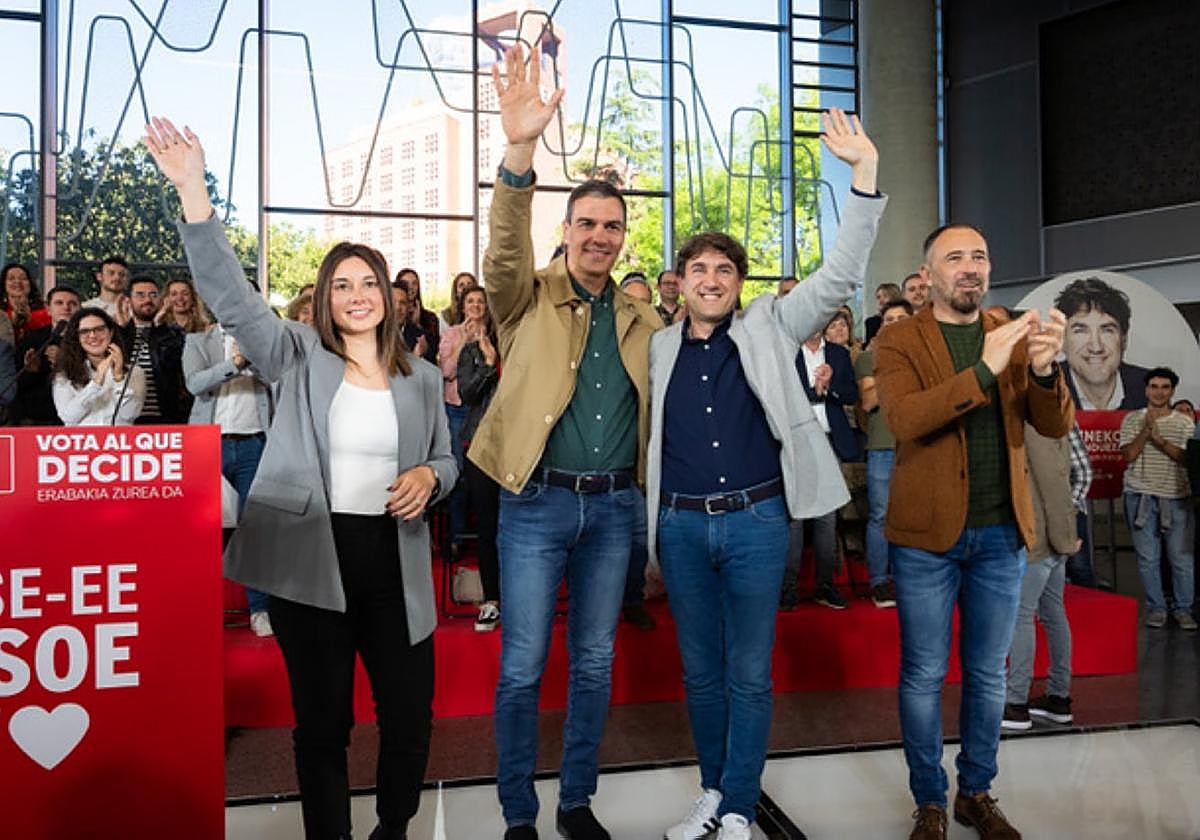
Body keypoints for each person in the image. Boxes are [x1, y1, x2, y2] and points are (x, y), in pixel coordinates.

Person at [146, 116, 456, 840]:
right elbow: (229, 295)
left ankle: (391, 829)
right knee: (323, 725)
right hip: (309, 559)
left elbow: (446, 460)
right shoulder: (293, 354)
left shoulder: (419, 379)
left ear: (388, 295)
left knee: (410, 720)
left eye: (368, 283)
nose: (356, 295)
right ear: (323, 298)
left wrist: (429, 479)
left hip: (394, 561)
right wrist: (194, 190)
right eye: (340, 284)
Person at [652, 107, 884, 840]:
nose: (712, 279)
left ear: (739, 284)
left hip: (757, 523)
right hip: (683, 525)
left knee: (750, 673)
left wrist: (864, 176)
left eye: (725, 270)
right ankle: (715, 792)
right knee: (700, 673)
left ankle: (740, 809)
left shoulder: (771, 324)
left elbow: (841, 272)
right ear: (677, 284)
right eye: (699, 269)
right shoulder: (656, 349)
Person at [467, 45, 661, 840]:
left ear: (623, 236)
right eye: (586, 223)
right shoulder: (525, 298)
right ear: (567, 229)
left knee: (593, 665)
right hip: (537, 503)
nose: (600, 236)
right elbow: (504, 249)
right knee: (520, 669)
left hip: (614, 509)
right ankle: (518, 812)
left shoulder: (645, 319)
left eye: (612, 226)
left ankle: (574, 803)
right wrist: (519, 153)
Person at [874, 223, 1073, 840]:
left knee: (988, 675)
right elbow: (906, 419)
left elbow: (1054, 423)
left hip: (1000, 534)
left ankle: (976, 793)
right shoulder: (900, 339)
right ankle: (930, 799)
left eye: (979, 257)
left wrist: (1043, 369)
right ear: (929, 274)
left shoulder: (1010, 332)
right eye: (954, 258)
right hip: (925, 538)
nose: (970, 267)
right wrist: (987, 370)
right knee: (924, 674)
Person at [184, 318, 276, 636]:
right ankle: (197, 606)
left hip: (255, 444)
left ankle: (260, 608)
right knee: (202, 531)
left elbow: (279, 380)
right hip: (209, 446)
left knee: (254, 531)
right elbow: (195, 383)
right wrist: (235, 363)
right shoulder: (198, 341)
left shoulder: (264, 341)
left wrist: (254, 361)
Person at [1002, 421, 1092, 731]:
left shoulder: (1016, 421)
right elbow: (1084, 473)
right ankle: (1058, 699)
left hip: (1033, 536)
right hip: (1058, 532)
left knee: (1022, 616)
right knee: (1053, 613)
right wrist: (1069, 513)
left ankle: (1015, 704)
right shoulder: (1062, 417)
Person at [782, 312, 862, 611]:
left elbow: (851, 394)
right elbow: (780, 395)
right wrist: (812, 391)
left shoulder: (839, 354)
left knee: (828, 517)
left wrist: (829, 388)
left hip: (831, 440)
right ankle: (788, 587)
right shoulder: (787, 353)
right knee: (796, 517)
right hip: (798, 441)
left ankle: (825, 586)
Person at [1120, 367, 1196, 630]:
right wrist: (1146, 432)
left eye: (1165, 387)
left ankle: (1184, 609)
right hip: (1140, 495)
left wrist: (1160, 441)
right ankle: (1156, 608)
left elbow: (1188, 459)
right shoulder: (1131, 419)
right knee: (1147, 559)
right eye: (1154, 386)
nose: (1159, 391)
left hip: (1176, 497)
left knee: (1181, 559)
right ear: (1146, 389)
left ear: (1172, 391)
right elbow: (1128, 455)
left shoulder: (1185, 422)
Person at [855, 298, 913, 607]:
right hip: (882, 446)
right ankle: (879, 581)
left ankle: (910, 578)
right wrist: (895, 369)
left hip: (917, 445)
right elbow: (868, 402)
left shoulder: (923, 356)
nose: (896, 323)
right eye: (890, 319)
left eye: (902, 318)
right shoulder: (868, 358)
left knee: (914, 514)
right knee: (880, 515)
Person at [454, 285, 502, 631]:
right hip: (479, 443)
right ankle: (492, 599)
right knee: (487, 525)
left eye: (484, 302)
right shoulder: (470, 349)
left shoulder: (512, 344)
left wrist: (497, 356)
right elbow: (467, 393)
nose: (479, 307)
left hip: (514, 443)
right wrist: (487, 363)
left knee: (517, 526)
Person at [439, 284, 494, 552]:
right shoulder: (451, 333)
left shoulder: (495, 334)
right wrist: (463, 342)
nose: (475, 306)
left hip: (488, 413)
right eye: (470, 301)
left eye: (480, 302)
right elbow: (447, 371)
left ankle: (487, 538)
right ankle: (457, 537)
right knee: (460, 475)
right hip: (459, 409)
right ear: (462, 306)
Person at [1055, 276, 1148, 411]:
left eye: (1107, 331)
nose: (1096, 347)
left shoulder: (1150, 386)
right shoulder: (1039, 390)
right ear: (1062, 341)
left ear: (1124, 340)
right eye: (1081, 331)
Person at [52, 307, 145, 425]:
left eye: (99, 329)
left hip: (118, 441)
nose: (92, 335)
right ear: (77, 338)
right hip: (82, 442)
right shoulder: (64, 374)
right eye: (84, 331)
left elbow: (129, 415)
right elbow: (68, 418)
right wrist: (96, 383)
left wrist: (119, 378)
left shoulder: (135, 372)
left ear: (111, 333)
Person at [122, 277, 189, 424]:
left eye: (153, 295)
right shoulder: (119, 335)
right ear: (128, 301)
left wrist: (159, 327)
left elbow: (174, 365)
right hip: (126, 420)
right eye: (140, 295)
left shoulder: (174, 333)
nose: (148, 300)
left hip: (166, 418)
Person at [14, 285, 81, 425]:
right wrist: (31, 371)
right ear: (48, 309)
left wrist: (65, 362)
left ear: (80, 310)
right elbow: (18, 385)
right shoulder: (32, 339)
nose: (66, 308)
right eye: (59, 303)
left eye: (72, 304)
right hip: (37, 417)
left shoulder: (89, 339)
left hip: (78, 416)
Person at [396, 267, 439, 364]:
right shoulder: (390, 316)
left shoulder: (430, 317)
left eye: (414, 283)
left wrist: (417, 326)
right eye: (405, 283)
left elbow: (433, 350)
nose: (410, 287)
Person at [2, 263, 51, 344]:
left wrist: (30, 320)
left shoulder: (46, 312)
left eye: (23, 278)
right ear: (4, 284)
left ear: (30, 283)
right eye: (11, 278)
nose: (17, 281)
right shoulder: (1, 313)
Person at [863, 281, 902, 347]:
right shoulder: (871, 322)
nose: (881, 300)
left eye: (885, 296)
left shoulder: (906, 318)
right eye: (878, 297)